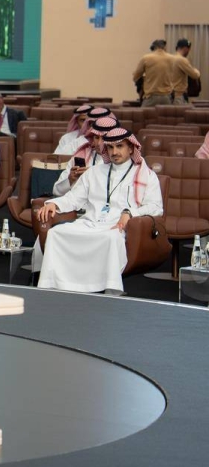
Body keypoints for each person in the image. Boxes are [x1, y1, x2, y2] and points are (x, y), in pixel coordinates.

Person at [36, 127, 162, 294]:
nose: (114, 152)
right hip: (91, 222)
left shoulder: (146, 175)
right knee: (56, 233)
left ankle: (109, 289)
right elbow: (73, 198)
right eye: (110, 147)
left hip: (118, 227)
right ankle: (54, 287)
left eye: (119, 146)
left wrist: (130, 213)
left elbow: (156, 207)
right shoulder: (94, 172)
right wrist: (55, 204)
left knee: (110, 238)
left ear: (131, 148)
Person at [52, 115, 117, 196]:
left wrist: (92, 174)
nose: (99, 143)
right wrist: (70, 180)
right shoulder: (80, 156)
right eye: (96, 137)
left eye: (104, 138)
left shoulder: (119, 160)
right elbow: (56, 191)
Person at [133, 40, 200, 107]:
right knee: (170, 113)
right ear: (164, 48)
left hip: (151, 97)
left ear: (153, 48)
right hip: (167, 97)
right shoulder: (173, 58)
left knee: (143, 113)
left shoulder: (146, 58)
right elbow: (194, 75)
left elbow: (135, 77)